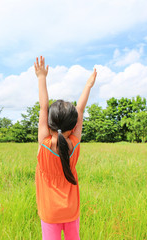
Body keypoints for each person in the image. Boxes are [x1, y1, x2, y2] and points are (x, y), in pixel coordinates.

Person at [34, 56, 97, 240]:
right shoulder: (74, 144)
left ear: (49, 123)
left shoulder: (44, 144)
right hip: (71, 210)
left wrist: (41, 77)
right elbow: (81, 109)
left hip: (49, 213)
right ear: (73, 126)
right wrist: (88, 86)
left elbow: (43, 107)